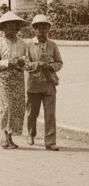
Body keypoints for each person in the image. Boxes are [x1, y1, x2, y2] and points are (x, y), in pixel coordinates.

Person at [0, 10, 28, 149]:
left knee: (17, 108)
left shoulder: (23, 44)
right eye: (8, 26)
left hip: (18, 77)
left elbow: (26, 61)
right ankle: (3, 136)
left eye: (14, 26)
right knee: (7, 107)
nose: (11, 28)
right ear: (3, 28)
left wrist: (22, 62)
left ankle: (10, 136)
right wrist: (8, 63)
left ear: (18, 27)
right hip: (4, 77)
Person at [24, 14, 63, 151]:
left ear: (48, 29)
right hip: (33, 83)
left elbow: (59, 62)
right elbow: (25, 64)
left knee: (50, 114)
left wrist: (51, 66)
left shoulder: (52, 45)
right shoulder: (28, 45)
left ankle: (50, 141)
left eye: (45, 28)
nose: (42, 31)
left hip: (49, 84)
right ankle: (30, 134)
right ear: (34, 29)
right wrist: (37, 65)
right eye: (39, 28)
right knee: (32, 112)